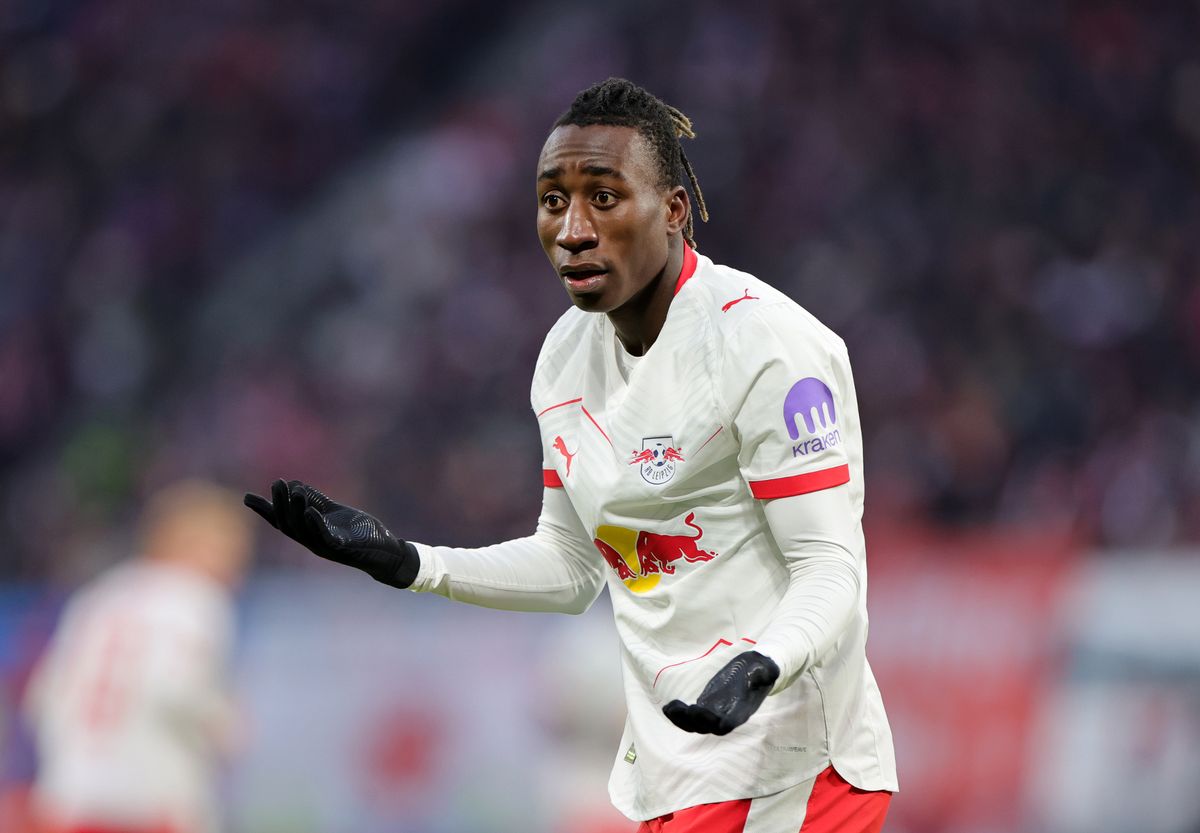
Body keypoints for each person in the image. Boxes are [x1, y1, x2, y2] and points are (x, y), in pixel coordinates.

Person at [246, 77, 897, 832]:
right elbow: (571, 564)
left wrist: (765, 662)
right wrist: (410, 562)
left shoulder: (765, 345)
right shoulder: (563, 358)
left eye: (604, 198)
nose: (573, 230)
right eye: (553, 201)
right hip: (675, 770)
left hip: (793, 766)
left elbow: (829, 564)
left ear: (674, 210)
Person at [24, 480, 254, 833]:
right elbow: (176, 689)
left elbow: (42, 698)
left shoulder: (99, 595)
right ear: (190, 543)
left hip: (67, 801)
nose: (237, 569)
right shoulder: (194, 598)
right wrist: (224, 725)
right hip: (149, 806)